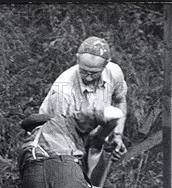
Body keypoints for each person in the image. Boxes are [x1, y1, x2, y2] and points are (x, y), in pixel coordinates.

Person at [39, 36, 128, 179]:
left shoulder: (114, 72)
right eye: (84, 71)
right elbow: (63, 137)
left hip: (93, 132)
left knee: (94, 182)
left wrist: (117, 135)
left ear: (106, 64)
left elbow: (120, 101)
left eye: (94, 73)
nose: (88, 78)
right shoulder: (63, 91)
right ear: (77, 60)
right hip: (59, 136)